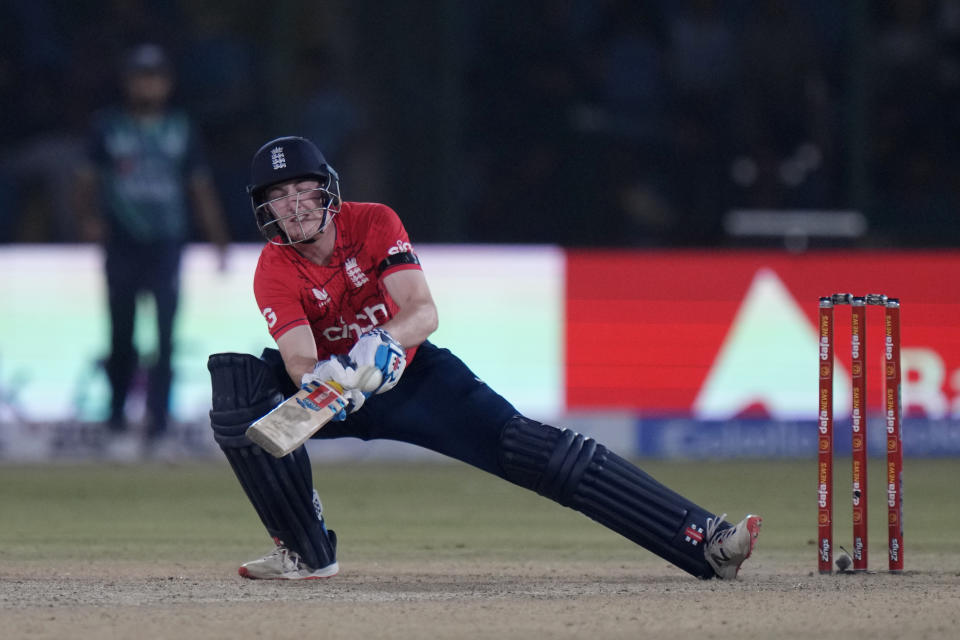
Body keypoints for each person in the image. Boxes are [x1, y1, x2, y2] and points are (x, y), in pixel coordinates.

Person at [207, 135, 761, 581]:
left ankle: (705, 540)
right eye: (279, 197)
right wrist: (330, 376)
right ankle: (307, 552)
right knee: (238, 394)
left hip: (415, 380)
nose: (294, 206)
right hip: (336, 396)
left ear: (328, 190)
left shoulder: (373, 222)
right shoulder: (274, 267)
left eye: (304, 189)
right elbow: (300, 359)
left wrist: (385, 344)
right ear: (265, 209)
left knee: (531, 449)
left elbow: (422, 311)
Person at [76, 43, 229, 455]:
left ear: (168, 83)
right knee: (121, 333)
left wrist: (218, 239)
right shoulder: (107, 127)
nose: (148, 85)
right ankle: (115, 420)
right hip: (123, 243)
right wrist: (89, 219)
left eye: (156, 77)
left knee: (164, 335)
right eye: (141, 77)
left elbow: (199, 185)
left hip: (166, 244)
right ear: (128, 82)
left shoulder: (181, 128)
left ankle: (159, 425)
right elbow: (87, 181)